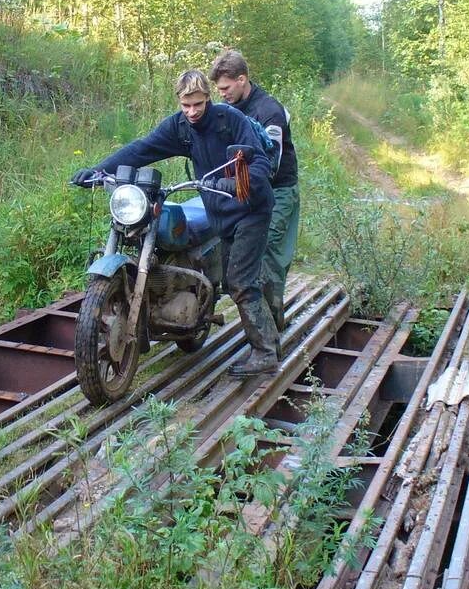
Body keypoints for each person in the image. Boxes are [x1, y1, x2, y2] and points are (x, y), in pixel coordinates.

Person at [71, 70, 281, 377]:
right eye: (186, 105)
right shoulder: (181, 127)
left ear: (208, 98)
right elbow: (142, 149)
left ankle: (265, 353)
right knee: (234, 279)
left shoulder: (230, 120)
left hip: (250, 210)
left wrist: (237, 182)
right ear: (179, 102)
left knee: (240, 282)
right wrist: (98, 171)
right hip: (219, 212)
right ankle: (266, 337)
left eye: (198, 104)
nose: (192, 112)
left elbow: (260, 161)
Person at [209, 49, 299, 331]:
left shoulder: (269, 112)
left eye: (225, 88)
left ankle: (271, 332)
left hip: (277, 191)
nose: (221, 93)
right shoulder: (228, 109)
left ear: (242, 79)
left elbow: (271, 162)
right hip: (243, 191)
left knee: (266, 256)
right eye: (218, 89)